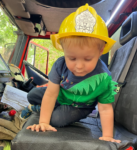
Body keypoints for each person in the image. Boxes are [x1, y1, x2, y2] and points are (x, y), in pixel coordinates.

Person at [20, 3, 121, 143]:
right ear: (64, 51)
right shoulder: (60, 65)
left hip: (80, 106)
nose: (79, 66)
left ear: (100, 51)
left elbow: (105, 109)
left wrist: (108, 136)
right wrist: (43, 122)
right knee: (32, 95)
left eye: (87, 59)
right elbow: (51, 94)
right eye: (72, 58)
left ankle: (37, 108)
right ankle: (37, 106)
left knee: (56, 120)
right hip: (61, 95)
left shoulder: (103, 78)